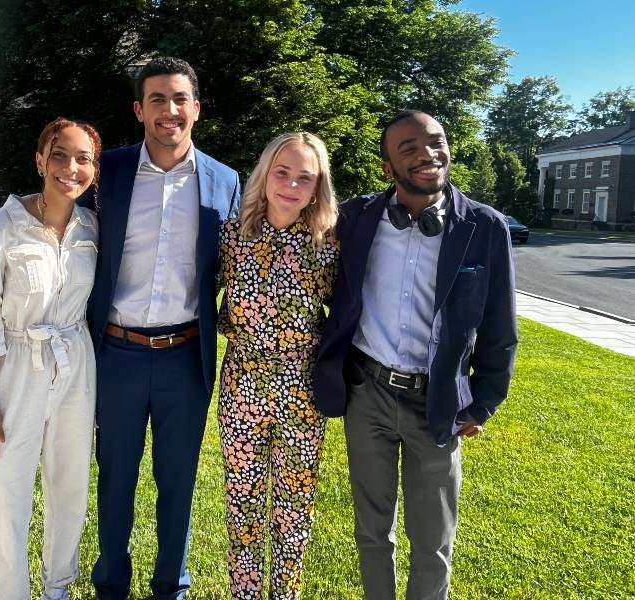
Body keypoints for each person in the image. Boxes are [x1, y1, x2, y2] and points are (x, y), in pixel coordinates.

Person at [312, 110, 518, 599]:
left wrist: (483, 400)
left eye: (435, 141)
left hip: (439, 403)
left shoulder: (485, 227)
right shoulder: (357, 218)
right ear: (387, 166)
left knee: (433, 538)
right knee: (371, 530)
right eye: (409, 147)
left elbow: (500, 326)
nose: (427, 154)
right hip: (368, 393)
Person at [80, 57, 240, 600]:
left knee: (178, 481)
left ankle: (171, 584)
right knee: (115, 477)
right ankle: (110, 584)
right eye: (156, 100)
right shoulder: (109, 170)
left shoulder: (225, 180)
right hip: (117, 352)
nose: (168, 111)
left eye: (179, 99)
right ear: (139, 109)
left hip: (186, 355)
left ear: (196, 108)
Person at [0, 117, 102, 600]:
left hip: (74, 362)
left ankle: (57, 589)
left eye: (83, 158)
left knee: (69, 486)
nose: (71, 167)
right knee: (8, 496)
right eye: (60, 154)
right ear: (40, 160)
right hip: (16, 367)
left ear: (94, 168)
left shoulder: (92, 226)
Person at [217, 132, 339, 599]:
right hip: (241, 389)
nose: (291, 185)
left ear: (317, 187)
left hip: (302, 395)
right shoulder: (230, 237)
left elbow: (346, 314)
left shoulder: (328, 245)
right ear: (265, 174)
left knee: (294, 507)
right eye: (282, 172)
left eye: (304, 178)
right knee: (243, 503)